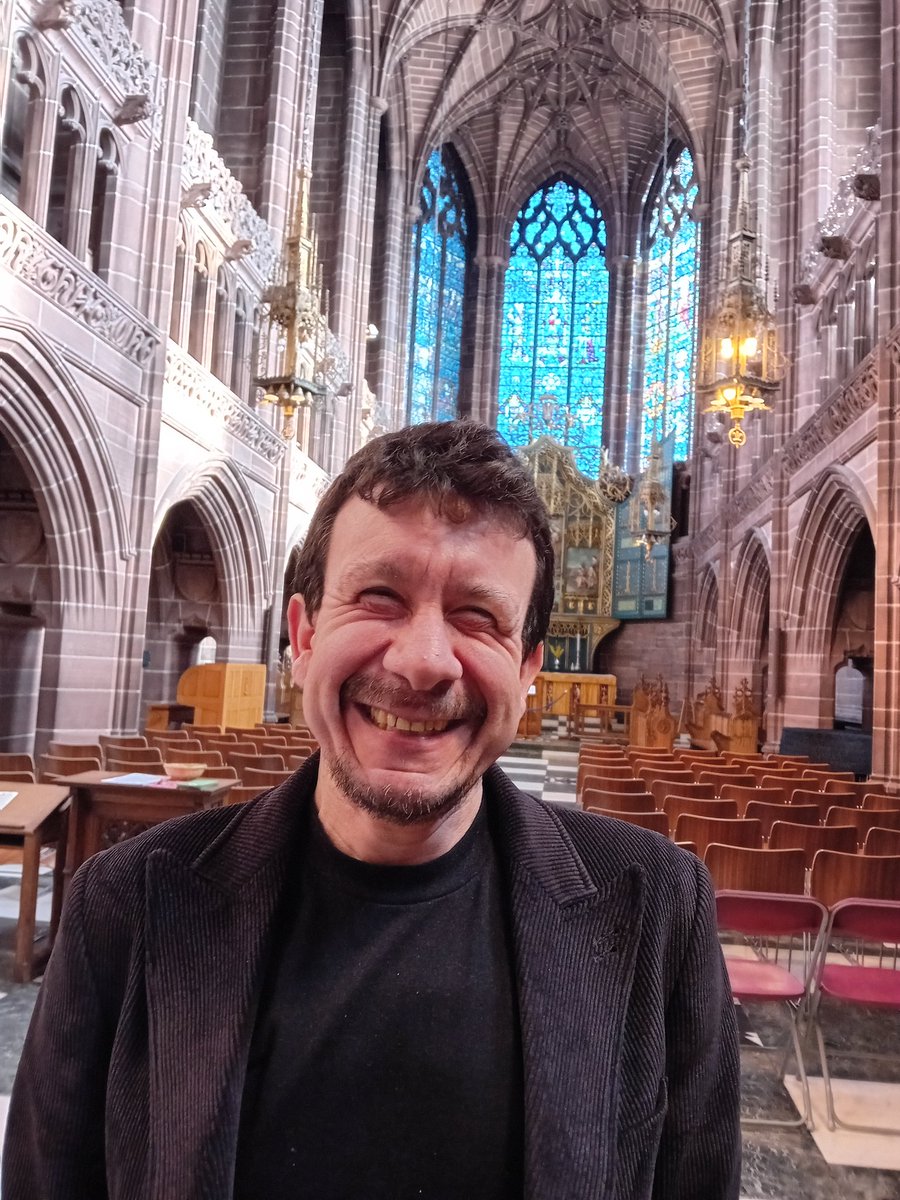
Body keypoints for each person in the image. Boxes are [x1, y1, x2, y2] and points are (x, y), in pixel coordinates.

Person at [3, 420, 741, 1199]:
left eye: (478, 616)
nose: (422, 662)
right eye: (379, 596)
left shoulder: (657, 911)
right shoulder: (124, 905)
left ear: (529, 669)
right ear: (303, 635)